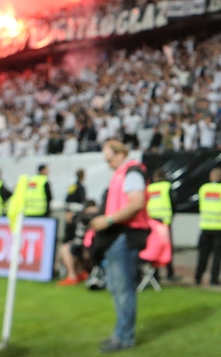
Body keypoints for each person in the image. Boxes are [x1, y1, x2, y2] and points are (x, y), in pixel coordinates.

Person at [88, 140, 150, 353]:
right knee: (117, 287)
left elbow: (136, 202)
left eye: (109, 157)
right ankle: (121, 334)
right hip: (118, 235)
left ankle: (124, 337)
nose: (107, 162)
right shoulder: (123, 173)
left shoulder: (131, 172)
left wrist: (109, 220)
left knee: (123, 289)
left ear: (119, 153)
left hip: (124, 234)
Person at [194, 167, 221, 286]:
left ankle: (198, 277)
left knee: (203, 254)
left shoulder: (203, 188)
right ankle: (214, 279)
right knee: (217, 255)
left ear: (211, 176)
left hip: (206, 226)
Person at [146, 168, 177, 281]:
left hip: (152, 222)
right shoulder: (167, 187)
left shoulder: (149, 188)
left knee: (154, 247)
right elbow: (174, 203)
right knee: (167, 247)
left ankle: (155, 275)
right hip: (164, 222)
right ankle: (170, 273)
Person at [58, 199, 98, 286]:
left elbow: (78, 241)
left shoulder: (83, 218)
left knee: (66, 248)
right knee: (72, 248)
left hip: (92, 248)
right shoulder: (100, 215)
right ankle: (81, 273)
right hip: (94, 247)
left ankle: (72, 276)